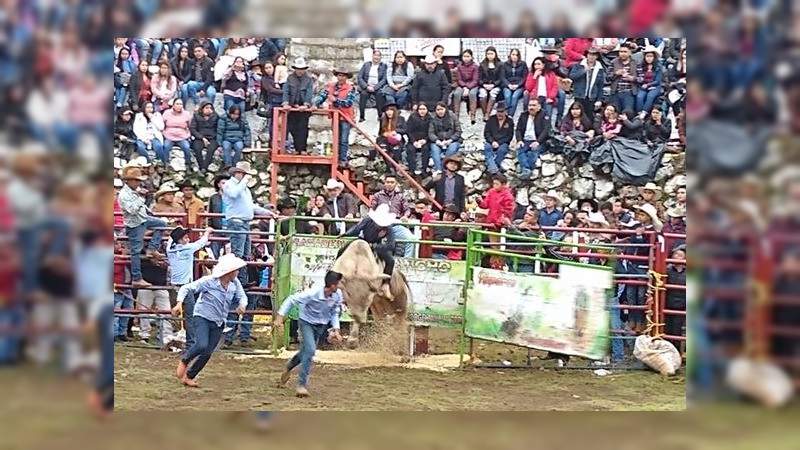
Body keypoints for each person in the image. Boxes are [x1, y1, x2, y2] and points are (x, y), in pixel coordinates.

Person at [173, 253, 248, 388]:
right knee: (202, 344)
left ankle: (189, 376)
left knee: (207, 352)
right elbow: (187, 288)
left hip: (219, 321)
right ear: (229, 271)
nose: (238, 272)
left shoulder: (235, 284)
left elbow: (242, 296)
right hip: (202, 316)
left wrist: (242, 305)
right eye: (236, 270)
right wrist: (179, 303)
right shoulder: (209, 281)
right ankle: (185, 360)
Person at [275, 270, 344, 397]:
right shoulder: (312, 293)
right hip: (306, 322)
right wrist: (280, 316)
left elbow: (335, 311)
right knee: (311, 350)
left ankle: (289, 366)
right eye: (339, 283)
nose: (341, 286)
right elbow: (291, 299)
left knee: (305, 352)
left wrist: (336, 329)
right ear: (332, 285)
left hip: (321, 325)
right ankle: (301, 385)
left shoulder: (337, 295)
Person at [222, 161, 274, 285]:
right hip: (236, 222)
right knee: (238, 254)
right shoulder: (229, 185)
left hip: (243, 223)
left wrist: (268, 213)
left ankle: (242, 282)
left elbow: (250, 206)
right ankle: (237, 282)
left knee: (245, 253)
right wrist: (244, 182)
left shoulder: (243, 188)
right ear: (238, 173)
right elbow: (234, 194)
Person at [117, 167, 167, 288]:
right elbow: (132, 210)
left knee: (161, 224)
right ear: (128, 181)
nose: (138, 182)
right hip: (134, 223)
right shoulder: (124, 195)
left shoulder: (132, 192)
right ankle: (137, 278)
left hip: (141, 219)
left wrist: (147, 209)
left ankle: (152, 248)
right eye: (136, 180)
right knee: (136, 251)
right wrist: (141, 200)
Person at [340, 204, 398, 295]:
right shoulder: (367, 220)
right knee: (342, 249)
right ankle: (336, 273)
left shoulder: (388, 228)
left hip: (376, 245)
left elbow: (391, 245)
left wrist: (374, 246)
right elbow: (357, 229)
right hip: (363, 241)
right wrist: (346, 234)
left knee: (390, 261)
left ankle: (385, 284)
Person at [315, 68, 357, 168]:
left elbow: (348, 103)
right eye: (339, 75)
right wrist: (315, 103)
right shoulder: (331, 86)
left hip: (345, 116)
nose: (341, 77)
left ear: (346, 77)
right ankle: (336, 157)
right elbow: (322, 96)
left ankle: (343, 159)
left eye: (343, 76)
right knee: (336, 138)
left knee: (343, 139)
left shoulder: (351, 88)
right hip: (335, 116)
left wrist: (335, 100)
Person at [370, 175, 415, 257]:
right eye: (387, 182)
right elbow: (372, 209)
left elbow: (407, 209)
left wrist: (405, 216)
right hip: (380, 227)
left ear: (396, 184)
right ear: (384, 183)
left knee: (412, 239)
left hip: (396, 225)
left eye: (392, 182)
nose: (389, 184)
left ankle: (407, 261)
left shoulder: (400, 196)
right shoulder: (377, 196)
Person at [282, 57, 314, 154]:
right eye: (298, 69)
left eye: (301, 69)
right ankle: (296, 148)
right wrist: (286, 102)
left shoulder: (308, 80)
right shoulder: (290, 78)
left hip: (304, 108)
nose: (300, 71)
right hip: (292, 107)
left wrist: (306, 104)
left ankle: (303, 149)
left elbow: (309, 93)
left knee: (303, 128)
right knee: (292, 127)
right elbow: (286, 91)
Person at [515, 98, 550, 179]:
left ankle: (525, 169)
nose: (531, 107)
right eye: (530, 105)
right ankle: (527, 170)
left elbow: (546, 130)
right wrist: (519, 140)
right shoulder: (523, 115)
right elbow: (518, 130)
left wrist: (538, 141)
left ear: (539, 107)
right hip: (525, 140)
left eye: (534, 105)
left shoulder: (544, 114)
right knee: (520, 149)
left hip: (539, 141)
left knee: (532, 151)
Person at [568, 47, 606, 118]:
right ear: (587, 55)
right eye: (590, 54)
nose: (591, 57)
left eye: (594, 55)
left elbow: (600, 86)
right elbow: (572, 76)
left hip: (592, 97)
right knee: (577, 116)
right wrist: (583, 71)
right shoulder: (579, 65)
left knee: (589, 117)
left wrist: (599, 100)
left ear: (597, 56)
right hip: (579, 95)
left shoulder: (600, 68)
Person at [428, 102, 462, 175]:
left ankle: (444, 168)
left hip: (452, 140)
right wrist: (437, 140)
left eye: (441, 109)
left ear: (445, 109)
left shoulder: (452, 116)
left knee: (452, 149)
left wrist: (450, 140)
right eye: (438, 110)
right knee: (434, 149)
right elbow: (431, 133)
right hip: (438, 141)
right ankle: (438, 169)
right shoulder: (433, 118)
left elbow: (458, 131)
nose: (440, 111)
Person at [162, 98, 193, 171]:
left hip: (182, 136)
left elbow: (189, 126)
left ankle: (188, 165)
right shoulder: (167, 113)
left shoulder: (186, 114)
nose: (179, 106)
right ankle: (166, 164)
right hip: (169, 135)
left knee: (186, 147)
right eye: (177, 104)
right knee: (166, 146)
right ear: (173, 105)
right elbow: (163, 125)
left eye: (181, 104)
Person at [482, 102, 514, 175]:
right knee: (487, 148)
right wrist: (492, 141)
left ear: (505, 111)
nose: (499, 113)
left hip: (503, 143)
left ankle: (491, 168)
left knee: (502, 150)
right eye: (498, 111)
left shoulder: (510, 121)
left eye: (501, 111)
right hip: (491, 142)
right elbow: (486, 133)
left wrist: (499, 143)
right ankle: (495, 170)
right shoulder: (491, 119)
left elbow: (509, 136)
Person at [664, 244, 686, 348]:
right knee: (666, 330)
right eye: (675, 254)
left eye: (680, 255)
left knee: (677, 330)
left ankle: (676, 353)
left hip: (681, 306)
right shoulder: (667, 270)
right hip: (667, 304)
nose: (677, 256)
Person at [356, 48, 387, 121]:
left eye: (378, 55)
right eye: (375, 55)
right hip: (367, 86)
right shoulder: (366, 65)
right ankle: (362, 116)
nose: (376, 57)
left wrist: (375, 87)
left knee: (380, 94)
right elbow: (360, 77)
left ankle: (380, 115)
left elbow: (384, 79)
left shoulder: (383, 66)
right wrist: (366, 86)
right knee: (363, 94)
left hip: (377, 87)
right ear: (372, 56)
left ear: (380, 57)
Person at [189, 101, 220, 172]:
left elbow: (219, 128)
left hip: (212, 137)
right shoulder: (196, 116)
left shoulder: (216, 116)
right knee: (197, 148)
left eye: (210, 108)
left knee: (211, 149)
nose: (209, 109)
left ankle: (204, 168)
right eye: (206, 108)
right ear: (202, 109)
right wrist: (202, 138)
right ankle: (201, 166)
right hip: (200, 137)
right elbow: (193, 129)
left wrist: (215, 137)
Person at [376, 98, 406, 166]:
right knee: (384, 150)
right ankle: (389, 169)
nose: (389, 112)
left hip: (396, 139)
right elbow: (380, 133)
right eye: (387, 110)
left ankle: (395, 168)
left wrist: (395, 131)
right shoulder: (383, 120)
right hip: (384, 139)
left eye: (391, 110)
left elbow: (405, 130)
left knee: (396, 151)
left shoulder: (401, 119)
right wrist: (384, 133)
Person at [405, 102, 432, 176]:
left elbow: (431, 131)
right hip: (413, 140)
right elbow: (408, 131)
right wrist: (414, 141)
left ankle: (424, 170)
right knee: (410, 150)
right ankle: (412, 170)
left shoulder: (430, 118)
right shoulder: (412, 117)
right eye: (420, 109)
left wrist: (425, 140)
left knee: (426, 149)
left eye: (424, 109)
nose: (422, 111)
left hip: (425, 141)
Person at [452, 49, 479, 123]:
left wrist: (468, 87)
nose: (466, 58)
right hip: (462, 85)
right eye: (464, 56)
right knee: (456, 93)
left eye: (468, 56)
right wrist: (464, 87)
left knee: (472, 94)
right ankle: (456, 116)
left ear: (471, 57)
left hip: (473, 85)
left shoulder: (475, 66)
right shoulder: (459, 66)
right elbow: (459, 79)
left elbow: (475, 80)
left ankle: (473, 115)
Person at [635, 45, 664, 114]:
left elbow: (657, 80)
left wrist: (648, 85)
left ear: (654, 57)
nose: (649, 58)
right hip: (643, 86)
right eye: (647, 56)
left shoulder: (658, 66)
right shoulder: (641, 66)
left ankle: (644, 113)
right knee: (639, 97)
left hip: (655, 86)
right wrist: (640, 81)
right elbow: (639, 77)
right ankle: (639, 113)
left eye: (651, 56)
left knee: (650, 96)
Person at [610, 43, 638, 114]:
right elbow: (607, 77)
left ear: (630, 52)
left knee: (628, 113)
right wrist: (616, 73)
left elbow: (641, 78)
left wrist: (633, 78)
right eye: (621, 52)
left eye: (625, 52)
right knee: (615, 113)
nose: (622, 54)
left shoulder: (636, 63)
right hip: (616, 92)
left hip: (629, 92)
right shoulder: (613, 62)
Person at [500, 48, 528, 117]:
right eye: (513, 54)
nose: (515, 56)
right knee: (507, 95)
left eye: (516, 55)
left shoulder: (523, 64)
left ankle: (510, 115)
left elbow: (524, 77)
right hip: (507, 85)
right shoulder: (505, 64)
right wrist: (508, 85)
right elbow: (502, 77)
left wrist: (518, 85)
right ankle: (508, 114)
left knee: (515, 96)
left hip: (519, 86)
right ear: (510, 55)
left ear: (519, 56)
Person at [478, 46, 502, 120]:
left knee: (493, 93)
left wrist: (493, 85)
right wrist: (483, 85)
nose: (490, 55)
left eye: (491, 53)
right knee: (482, 94)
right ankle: (485, 113)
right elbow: (479, 78)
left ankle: (487, 114)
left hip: (495, 85)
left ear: (495, 54)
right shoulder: (482, 64)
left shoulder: (500, 64)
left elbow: (501, 78)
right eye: (488, 54)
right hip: (484, 85)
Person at [260, 61, 284, 133]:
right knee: (273, 122)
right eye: (266, 68)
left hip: (282, 101)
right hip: (272, 102)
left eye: (270, 67)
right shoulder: (264, 79)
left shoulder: (278, 77)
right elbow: (270, 89)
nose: (268, 70)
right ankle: (272, 140)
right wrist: (283, 91)